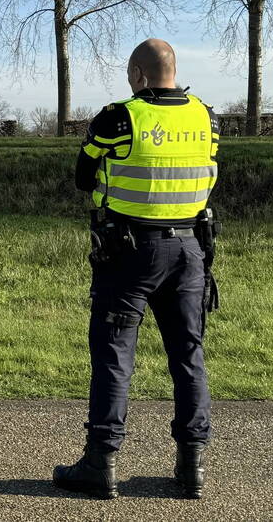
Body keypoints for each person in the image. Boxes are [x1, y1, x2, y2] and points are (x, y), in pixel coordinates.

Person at [53, 39, 220, 500]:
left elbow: (83, 177)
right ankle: (192, 468)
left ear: (138, 75)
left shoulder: (118, 116)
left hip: (130, 252)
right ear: (173, 69)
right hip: (190, 249)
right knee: (188, 355)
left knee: (114, 354)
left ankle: (100, 464)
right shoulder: (207, 117)